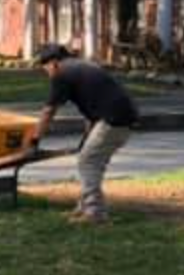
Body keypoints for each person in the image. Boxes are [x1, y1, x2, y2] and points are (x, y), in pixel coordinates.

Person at [35, 43, 139, 223]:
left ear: (52, 63)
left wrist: (34, 140)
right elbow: (92, 106)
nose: (47, 74)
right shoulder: (80, 66)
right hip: (124, 116)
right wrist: (86, 138)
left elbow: (48, 111)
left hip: (113, 119)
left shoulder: (62, 73)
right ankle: (83, 207)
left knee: (88, 161)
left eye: (45, 69)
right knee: (91, 159)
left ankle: (94, 212)